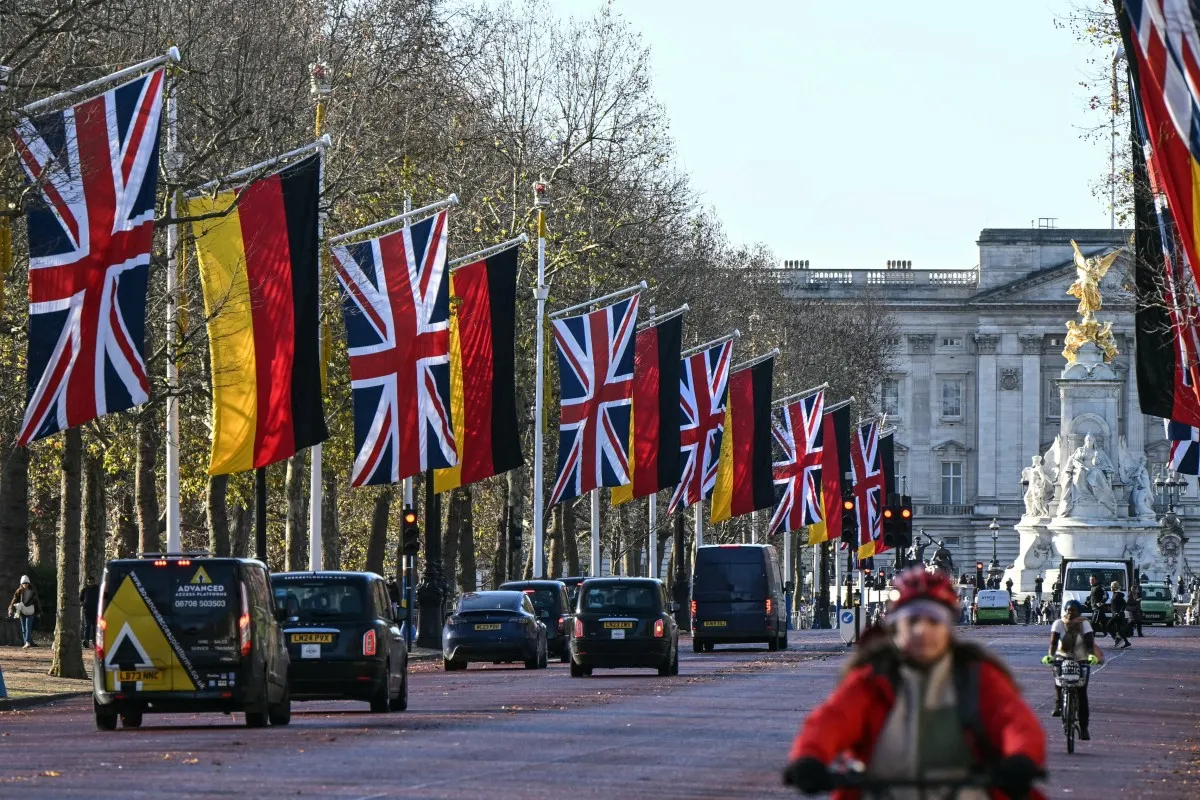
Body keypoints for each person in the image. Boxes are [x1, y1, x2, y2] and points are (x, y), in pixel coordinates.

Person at [783, 567, 1046, 799]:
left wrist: (1021, 758)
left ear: (948, 629)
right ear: (895, 629)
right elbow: (832, 720)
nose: (922, 631)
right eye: (912, 621)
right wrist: (809, 756)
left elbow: (1014, 720)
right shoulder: (872, 681)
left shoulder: (977, 677)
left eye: (933, 621)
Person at [1042, 600, 1100, 740]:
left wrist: (1091, 655)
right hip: (1062, 658)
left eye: (1073, 610)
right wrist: (1050, 656)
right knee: (1057, 677)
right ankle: (1057, 703)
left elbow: (1089, 642)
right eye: (1068, 610)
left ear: (1078, 612)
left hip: (1081, 659)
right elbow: (1053, 642)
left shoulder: (1084, 624)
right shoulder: (1058, 623)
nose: (1070, 612)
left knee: (1082, 694)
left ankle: (1084, 728)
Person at [8, 575, 41, 648]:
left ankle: (28, 642)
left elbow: (36, 601)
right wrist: (10, 608)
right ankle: (26, 642)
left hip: (30, 610)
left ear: (29, 583)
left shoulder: (32, 591)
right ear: (21, 584)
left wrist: (38, 611)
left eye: (26, 583)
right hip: (22, 611)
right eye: (23, 583)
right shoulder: (19, 591)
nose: (25, 585)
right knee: (23, 628)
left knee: (28, 627)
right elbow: (14, 600)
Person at [1108, 582, 1131, 649]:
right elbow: (1115, 604)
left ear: (1114, 587)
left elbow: (1124, 604)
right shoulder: (1114, 594)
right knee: (1119, 630)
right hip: (1115, 613)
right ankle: (1127, 642)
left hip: (1117, 615)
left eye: (1111, 586)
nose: (1110, 587)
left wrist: (1120, 611)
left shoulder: (1118, 594)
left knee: (1108, 625)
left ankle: (1116, 638)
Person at [79, 579, 100, 647]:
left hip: (96, 611)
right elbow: (81, 599)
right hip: (87, 611)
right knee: (87, 626)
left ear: (94, 582)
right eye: (89, 582)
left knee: (95, 627)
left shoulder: (98, 588)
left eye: (91, 582)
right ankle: (86, 641)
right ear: (87, 582)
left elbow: (103, 596)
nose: (90, 583)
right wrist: (82, 604)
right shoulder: (85, 589)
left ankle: (95, 641)